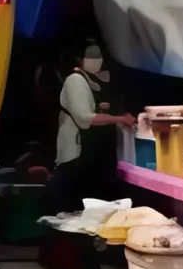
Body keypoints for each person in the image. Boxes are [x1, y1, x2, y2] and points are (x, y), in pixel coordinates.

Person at [47, 42, 135, 214]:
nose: (97, 61)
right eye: (91, 56)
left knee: (103, 209)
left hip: (102, 159)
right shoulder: (75, 80)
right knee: (75, 209)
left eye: (99, 56)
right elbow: (85, 119)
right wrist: (120, 119)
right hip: (79, 158)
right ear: (80, 59)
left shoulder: (102, 80)